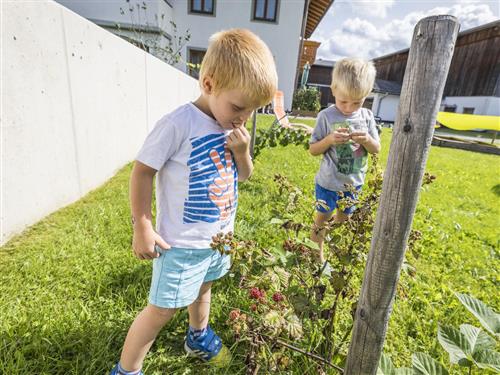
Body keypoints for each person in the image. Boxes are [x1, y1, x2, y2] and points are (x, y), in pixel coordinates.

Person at [110, 29, 277, 375]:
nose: (243, 118)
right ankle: (126, 370)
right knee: (162, 309)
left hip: (218, 240)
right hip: (181, 244)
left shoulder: (231, 127)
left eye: (252, 112)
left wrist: (243, 152)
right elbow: (142, 172)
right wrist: (142, 224)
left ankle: (197, 336)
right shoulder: (178, 124)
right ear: (209, 84)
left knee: (204, 290)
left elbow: (242, 176)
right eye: (239, 107)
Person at [309, 57, 381, 272]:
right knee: (321, 220)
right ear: (333, 90)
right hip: (328, 183)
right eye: (343, 101)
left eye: (356, 102)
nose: (349, 108)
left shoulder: (367, 117)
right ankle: (315, 257)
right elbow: (313, 149)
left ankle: (335, 254)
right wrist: (330, 140)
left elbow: (376, 148)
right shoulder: (326, 116)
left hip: (353, 185)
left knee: (343, 221)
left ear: (366, 96)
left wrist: (366, 140)